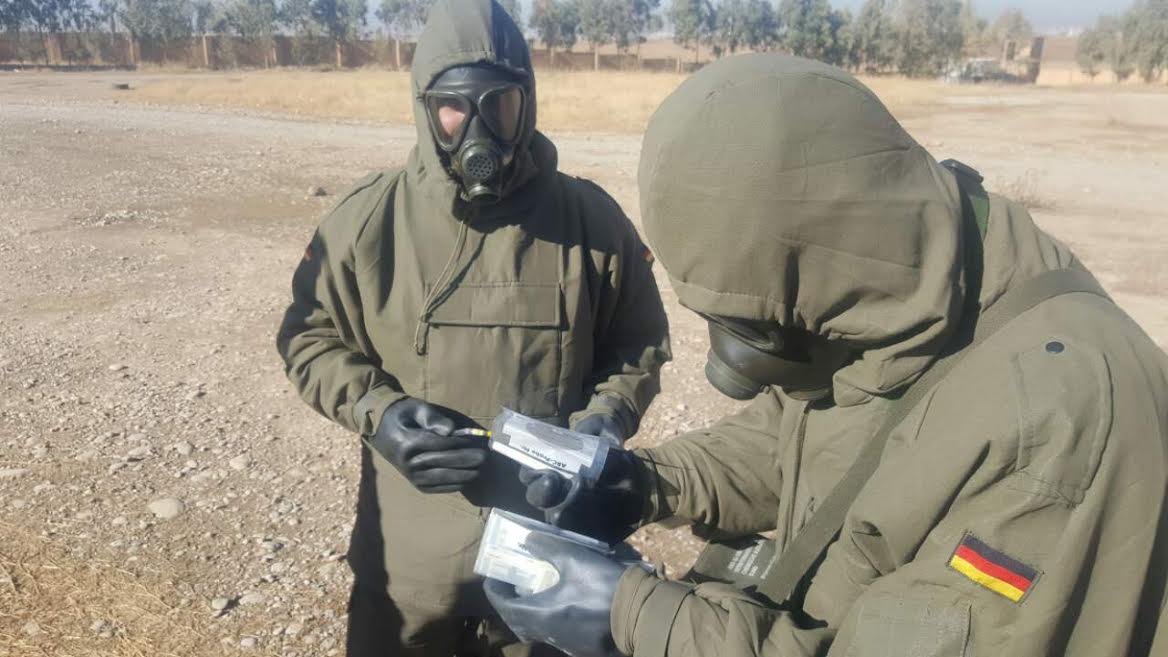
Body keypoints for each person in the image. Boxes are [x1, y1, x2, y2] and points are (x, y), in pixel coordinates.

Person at [485, 54, 1168, 657]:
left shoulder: (1053, 427)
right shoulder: (899, 282)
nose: (735, 360)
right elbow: (802, 429)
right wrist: (639, 484)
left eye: (755, 327)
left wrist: (632, 616)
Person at [274, 0, 671, 654]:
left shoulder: (591, 224)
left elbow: (639, 343)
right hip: (409, 571)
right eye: (454, 108)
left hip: (545, 565)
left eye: (500, 105)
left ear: (528, 103)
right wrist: (382, 412)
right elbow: (307, 338)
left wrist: (607, 418)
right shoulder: (368, 221)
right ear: (426, 108)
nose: (477, 129)